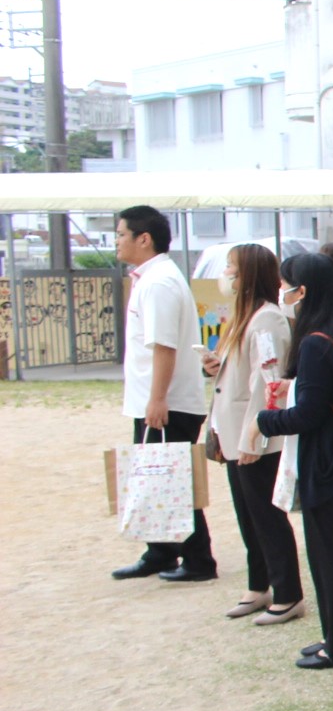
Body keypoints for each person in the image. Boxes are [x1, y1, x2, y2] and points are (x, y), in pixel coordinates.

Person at [254, 253, 333, 670]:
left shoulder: (316, 342)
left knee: (330, 554)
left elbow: (308, 415)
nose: (282, 292)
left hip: (330, 462)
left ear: (302, 291)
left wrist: (263, 420)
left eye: (286, 285)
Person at [110, 204, 218, 583]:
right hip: (156, 399)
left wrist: (157, 400)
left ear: (144, 239)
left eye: (121, 234)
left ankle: (199, 561)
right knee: (156, 477)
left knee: (175, 479)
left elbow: (164, 347)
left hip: (168, 403)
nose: (116, 241)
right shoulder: (152, 278)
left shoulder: (158, 283)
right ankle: (161, 552)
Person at [205, 241, 302, 625]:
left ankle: (288, 593)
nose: (226, 274)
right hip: (234, 432)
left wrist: (254, 438)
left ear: (249, 275)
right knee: (247, 514)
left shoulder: (266, 320)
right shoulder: (243, 317)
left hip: (255, 437)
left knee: (266, 515)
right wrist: (217, 367)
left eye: (232, 268)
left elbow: (267, 382)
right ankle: (259, 585)